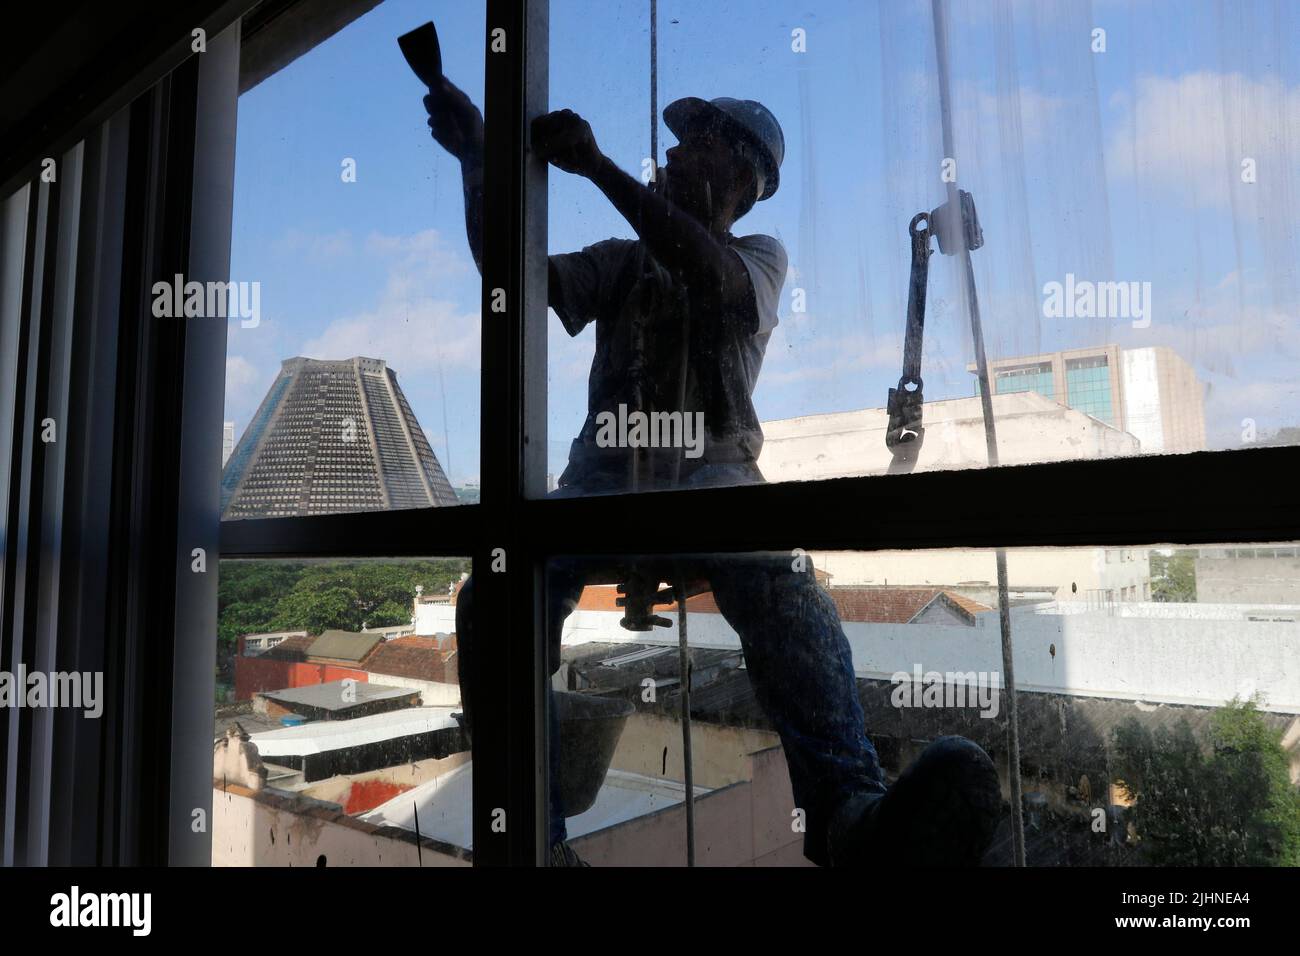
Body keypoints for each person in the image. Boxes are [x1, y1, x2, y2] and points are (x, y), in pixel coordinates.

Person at [425, 74, 1002, 867]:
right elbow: (513, 277)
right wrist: (475, 161)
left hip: (713, 485)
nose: (668, 151)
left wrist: (597, 169)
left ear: (740, 173)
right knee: (496, 599)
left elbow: (714, 282)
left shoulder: (758, 257)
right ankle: (532, 834)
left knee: (787, 599)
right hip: (602, 487)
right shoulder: (618, 262)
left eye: (693, 141)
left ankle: (846, 814)